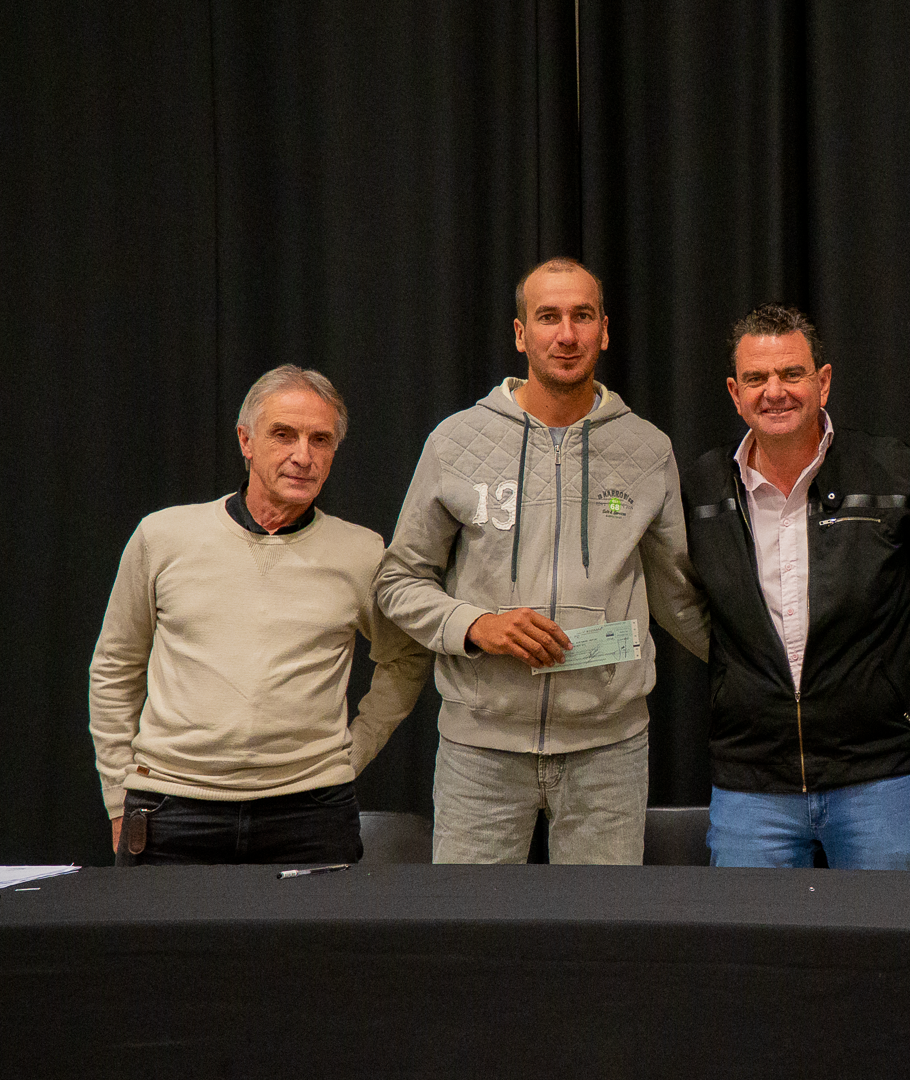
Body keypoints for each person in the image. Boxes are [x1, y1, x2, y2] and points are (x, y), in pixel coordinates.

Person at [377, 256, 708, 864]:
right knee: (471, 920)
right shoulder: (456, 442)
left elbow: (679, 596)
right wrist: (476, 626)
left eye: (582, 316)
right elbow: (399, 579)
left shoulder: (647, 449)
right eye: (548, 317)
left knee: (601, 923)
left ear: (604, 331)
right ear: (520, 333)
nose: (567, 334)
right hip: (480, 753)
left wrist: (773, 673)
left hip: (609, 752)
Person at [89, 366, 432, 865]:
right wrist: (117, 795)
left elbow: (406, 659)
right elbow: (115, 666)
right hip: (172, 807)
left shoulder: (361, 552)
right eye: (283, 435)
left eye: (320, 439)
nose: (303, 456)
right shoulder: (163, 536)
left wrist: (352, 753)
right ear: (246, 441)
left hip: (311, 811)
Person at [683, 304, 910, 869]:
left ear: (823, 381)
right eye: (756, 378)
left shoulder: (892, 473)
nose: (775, 391)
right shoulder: (701, 488)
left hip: (879, 778)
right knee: (750, 930)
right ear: (735, 393)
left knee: (889, 928)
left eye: (791, 374)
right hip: (752, 784)